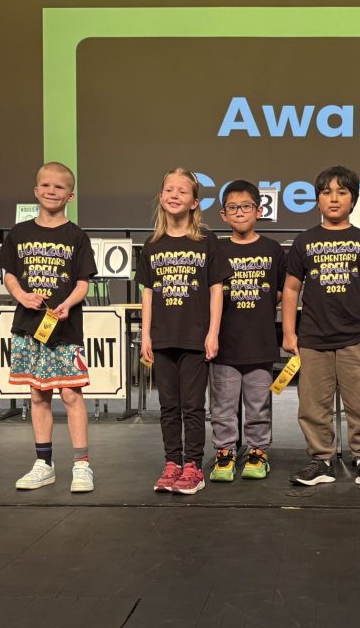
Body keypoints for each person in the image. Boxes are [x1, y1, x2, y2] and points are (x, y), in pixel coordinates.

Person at [282, 165, 360, 490]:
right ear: (317, 199)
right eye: (327, 192)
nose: (334, 198)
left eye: (342, 192)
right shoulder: (305, 241)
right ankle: (321, 459)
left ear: (353, 199)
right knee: (314, 407)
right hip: (313, 340)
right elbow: (290, 290)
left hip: (357, 340)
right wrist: (289, 333)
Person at [0, 162, 97, 493]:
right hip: (28, 327)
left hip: (64, 330)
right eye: (46, 185)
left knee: (70, 394)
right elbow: (9, 272)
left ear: (71, 194)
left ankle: (81, 465)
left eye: (59, 187)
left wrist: (68, 302)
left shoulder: (76, 235)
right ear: (36, 190)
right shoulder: (20, 232)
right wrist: (21, 294)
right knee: (38, 394)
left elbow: (83, 282)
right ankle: (44, 463)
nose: (52, 191)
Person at [137, 168, 232, 495]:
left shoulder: (208, 241)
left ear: (194, 201)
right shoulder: (151, 245)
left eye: (181, 191)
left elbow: (216, 289)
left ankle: (193, 466)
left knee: (192, 406)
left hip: (194, 338)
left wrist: (213, 332)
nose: (174, 195)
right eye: (168, 190)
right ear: (161, 197)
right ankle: (171, 463)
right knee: (168, 406)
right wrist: (145, 335)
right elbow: (148, 293)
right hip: (162, 339)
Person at [209, 181, 286, 482]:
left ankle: (257, 452)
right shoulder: (216, 249)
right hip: (225, 344)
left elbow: (281, 291)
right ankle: (225, 453)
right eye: (233, 208)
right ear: (223, 214)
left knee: (258, 405)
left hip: (261, 342)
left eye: (246, 206)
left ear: (259, 210)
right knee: (223, 406)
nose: (239, 212)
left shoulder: (272, 249)